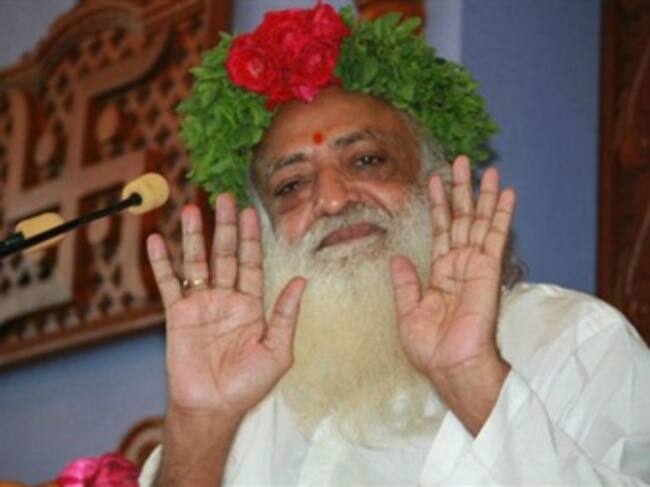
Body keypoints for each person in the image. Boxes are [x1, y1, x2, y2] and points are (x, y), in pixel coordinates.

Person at [139, 4, 650, 486]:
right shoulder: (245, 385)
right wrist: (201, 426)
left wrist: (471, 379)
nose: (333, 200)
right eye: (291, 185)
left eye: (366, 160)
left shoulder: (573, 340)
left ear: (437, 180)